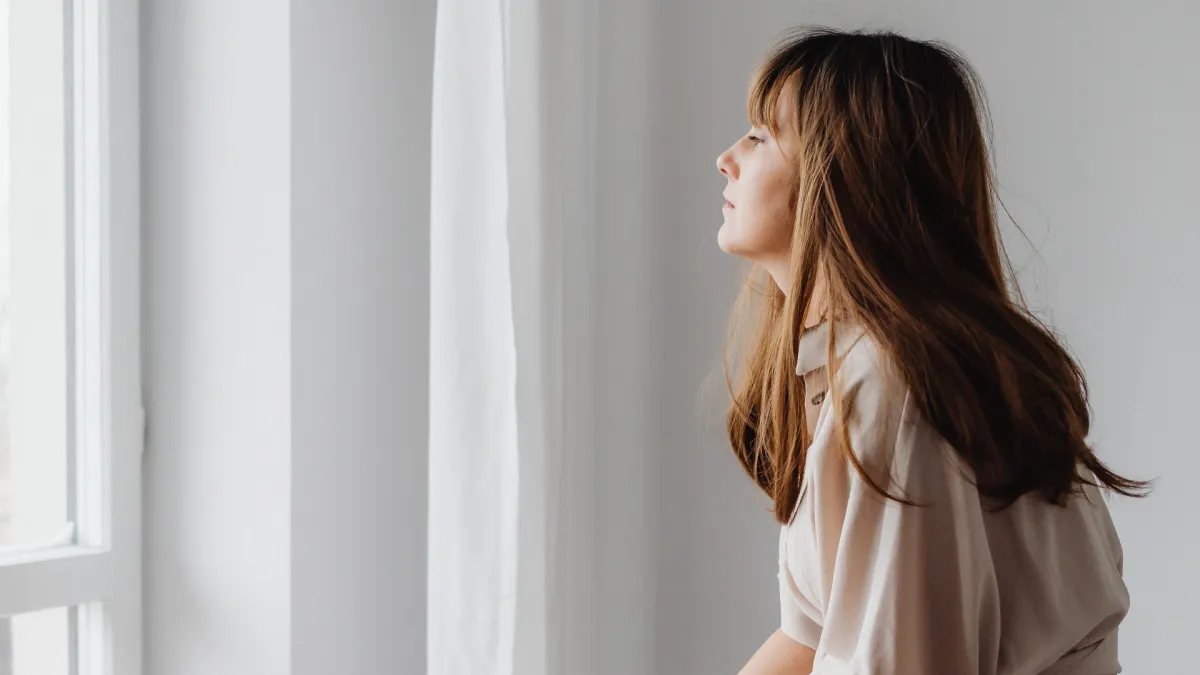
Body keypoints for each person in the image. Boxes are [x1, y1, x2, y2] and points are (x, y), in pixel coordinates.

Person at [716, 29, 1147, 675]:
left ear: (844, 173)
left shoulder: (892, 388)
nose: (726, 158)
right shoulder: (869, 367)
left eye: (758, 135)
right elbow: (807, 635)